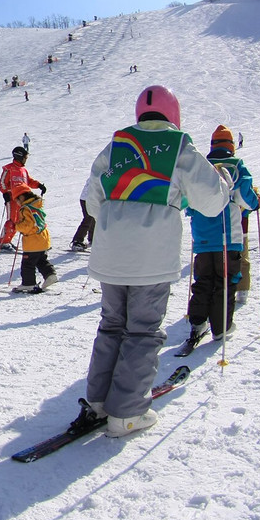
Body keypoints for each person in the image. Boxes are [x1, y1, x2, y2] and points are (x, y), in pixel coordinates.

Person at [80, 85, 231, 437]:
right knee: (143, 330)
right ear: (173, 114)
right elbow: (211, 202)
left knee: (112, 325)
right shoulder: (180, 146)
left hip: (111, 255)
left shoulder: (117, 145)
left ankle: (98, 401)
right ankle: (127, 413)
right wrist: (222, 181)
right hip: (151, 256)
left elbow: (92, 202)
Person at [182, 125, 260, 349]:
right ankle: (221, 328)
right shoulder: (236, 166)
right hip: (228, 236)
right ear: (231, 146)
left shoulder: (201, 166)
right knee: (225, 282)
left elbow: (188, 200)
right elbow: (247, 199)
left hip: (203, 237)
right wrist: (256, 201)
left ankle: (197, 323)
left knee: (203, 281)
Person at [0, 147, 44, 249]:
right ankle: (3, 242)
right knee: (11, 220)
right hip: (12, 198)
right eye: (25, 157)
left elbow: (29, 181)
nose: (26, 159)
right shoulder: (9, 168)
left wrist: (39, 185)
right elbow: (2, 182)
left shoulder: (23, 170)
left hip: (22, 199)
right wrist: (5, 193)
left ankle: (8, 241)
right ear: (19, 156)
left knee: (19, 220)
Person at [12, 187, 57, 293]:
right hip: (43, 239)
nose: (17, 203)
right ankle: (50, 275)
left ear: (22, 197)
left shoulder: (25, 209)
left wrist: (17, 226)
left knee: (28, 264)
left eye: (17, 200)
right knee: (41, 260)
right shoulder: (36, 206)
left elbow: (28, 226)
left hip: (33, 242)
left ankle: (28, 283)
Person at [70, 177, 96, 251]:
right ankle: (77, 241)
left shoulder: (100, 173)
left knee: (92, 218)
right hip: (88, 199)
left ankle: (93, 237)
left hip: (88, 198)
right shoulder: (100, 175)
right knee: (88, 219)